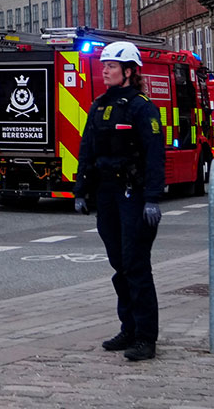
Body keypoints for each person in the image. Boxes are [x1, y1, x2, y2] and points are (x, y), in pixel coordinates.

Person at [74, 41, 166, 362]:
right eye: (104, 66)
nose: (105, 71)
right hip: (108, 195)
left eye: (111, 66)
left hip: (134, 194)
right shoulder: (99, 105)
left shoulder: (142, 107)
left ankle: (145, 337)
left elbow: (155, 155)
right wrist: (81, 190)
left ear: (129, 71)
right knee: (119, 265)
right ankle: (128, 327)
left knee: (135, 265)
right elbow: (88, 148)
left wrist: (152, 198)